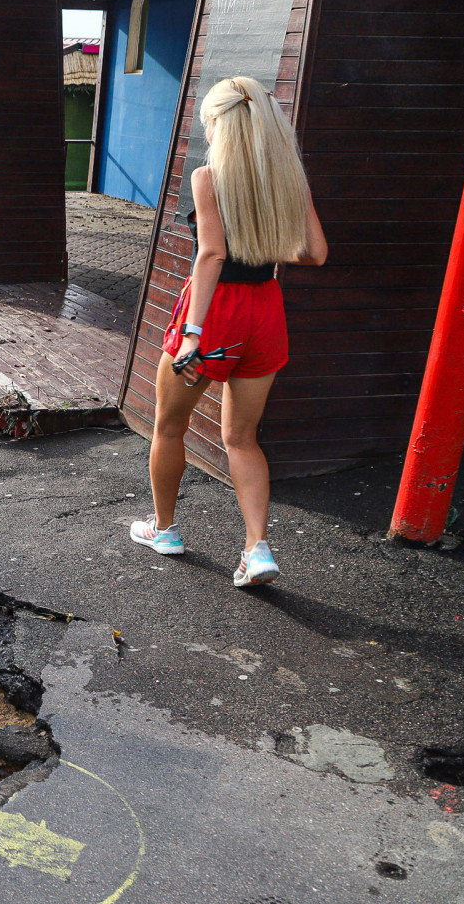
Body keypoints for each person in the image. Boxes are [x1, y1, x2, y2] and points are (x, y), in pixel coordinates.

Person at [130, 75, 328, 587]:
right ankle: (257, 549)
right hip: (266, 311)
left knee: (169, 427)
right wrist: (264, 245)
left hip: (216, 313)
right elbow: (314, 254)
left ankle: (166, 530)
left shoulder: (208, 177)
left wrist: (193, 332)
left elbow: (212, 254)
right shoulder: (289, 180)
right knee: (242, 438)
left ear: (220, 123)